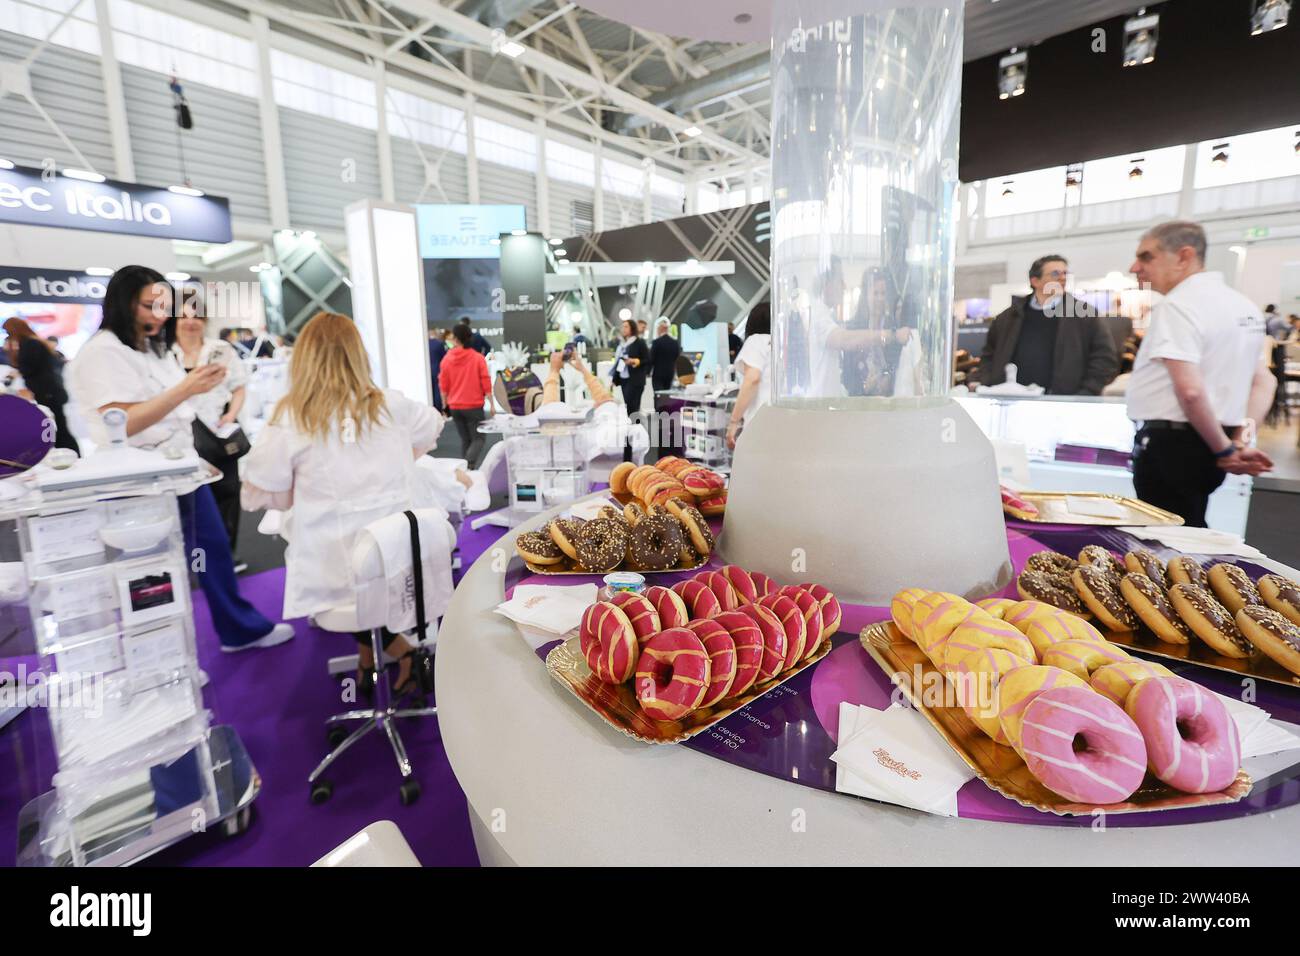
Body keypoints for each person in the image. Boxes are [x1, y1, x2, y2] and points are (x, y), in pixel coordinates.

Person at [68, 266, 293, 652]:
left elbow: (173, 411)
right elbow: (122, 422)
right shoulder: (102, 353)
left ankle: (237, 630)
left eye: (164, 307)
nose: (160, 315)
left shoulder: (150, 348)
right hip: (140, 483)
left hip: (180, 471)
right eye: (149, 306)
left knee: (212, 553)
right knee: (151, 571)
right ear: (124, 302)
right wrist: (187, 387)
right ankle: (161, 658)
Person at [242, 312, 443, 695]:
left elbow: (261, 494)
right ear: (358, 354)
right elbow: (433, 427)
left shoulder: (292, 419)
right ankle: (387, 656)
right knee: (368, 574)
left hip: (337, 579)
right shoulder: (391, 406)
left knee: (344, 563)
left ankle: (397, 655)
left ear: (303, 358)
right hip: (401, 566)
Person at [1126, 221, 1276, 527]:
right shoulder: (1243, 305)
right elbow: (1264, 381)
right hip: (1208, 444)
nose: (1135, 267)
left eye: (1146, 257)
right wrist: (1239, 441)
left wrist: (1225, 448)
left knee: (1164, 542)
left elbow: (1191, 391)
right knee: (1190, 529)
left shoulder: (1179, 306)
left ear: (1183, 256)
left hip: (1173, 445)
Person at [168, 289, 248, 563]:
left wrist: (231, 415)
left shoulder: (220, 350)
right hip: (179, 437)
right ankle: (196, 559)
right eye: (184, 316)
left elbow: (239, 387)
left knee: (227, 492)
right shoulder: (165, 353)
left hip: (218, 433)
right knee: (190, 499)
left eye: (197, 316)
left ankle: (227, 555)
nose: (190, 322)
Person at [978, 255, 1118, 394]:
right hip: (1011, 400)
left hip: (1063, 403)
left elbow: (1104, 359)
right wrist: (989, 382)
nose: (1063, 278)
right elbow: (988, 355)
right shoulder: (1008, 317)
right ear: (1035, 281)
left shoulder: (1085, 314)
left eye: (1065, 273)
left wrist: (1086, 392)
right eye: (1055, 273)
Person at [3, 317, 79, 454]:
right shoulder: (34, 343)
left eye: (8, 332)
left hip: (48, 393)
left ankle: (73, 457)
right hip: (49, 392)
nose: (8, 336)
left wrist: (17, 370)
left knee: (59, 429)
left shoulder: (30, 344)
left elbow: (28, 368)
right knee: (58, 427)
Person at [439, 321, 497, 467]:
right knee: (478, 439)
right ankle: (467, 465)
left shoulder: (447, 359)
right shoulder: (477, 358)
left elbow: (443, 385)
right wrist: (491, 403)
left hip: (455, 407)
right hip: (473, 406)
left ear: (456, 339)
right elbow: (485, 381)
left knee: (466, 440)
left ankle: (465, 471)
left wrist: (444, 404)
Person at [727, 303, 771, 449]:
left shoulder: (757, 341)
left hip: (760, 424)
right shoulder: (785, 344)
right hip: (784, 422)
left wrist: (734, 422)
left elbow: (752, 379)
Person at [611, 318, 650, 416]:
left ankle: (636, 429)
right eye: (622, 327)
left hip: (636, 380)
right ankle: (631, 429)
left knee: (633, 409)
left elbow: (647, 359)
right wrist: (614, 379)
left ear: (632, 328)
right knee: (628, 407)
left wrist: (635, 361)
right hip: (624, 380)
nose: (623, 329)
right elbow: (621, 362)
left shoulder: (640, 342)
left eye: (626, 327)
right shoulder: (624, 344)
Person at [649, 318, 681, 393]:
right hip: (670, 373)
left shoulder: (656, 342)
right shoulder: (675, 343)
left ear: (660, 329)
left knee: (658, 395)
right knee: (667, 394)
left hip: (658, 374)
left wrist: (648, 371)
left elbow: (652, 358)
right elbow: (677, 357)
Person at [428, 328, 447, 412]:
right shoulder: (439, 344)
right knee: (437, 392)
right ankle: (438, 410)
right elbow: (444, 358)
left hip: (427, 371)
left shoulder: (424, 343)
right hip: (437, 370)